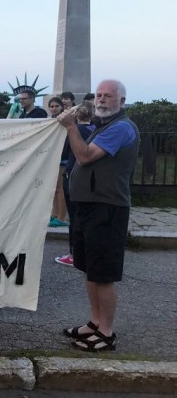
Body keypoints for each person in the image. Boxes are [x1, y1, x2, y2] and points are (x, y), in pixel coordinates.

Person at [57, 79, 139, 352]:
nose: (101, 100)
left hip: (106, 208)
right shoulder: (103, 126)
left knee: (103, 273)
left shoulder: (120, 128)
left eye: (108, 96)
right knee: (90, 270)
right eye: (99, 95)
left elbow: (85, 156)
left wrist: (70, 126)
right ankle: (94, 323)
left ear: (122, 102)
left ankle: (106, 332)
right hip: (88, 208)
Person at [55, 101, 95, 267]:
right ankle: (87, 252)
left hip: (73, 174)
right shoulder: (95, 130)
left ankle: (74, 254)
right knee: (87, 216)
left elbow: (65, 151)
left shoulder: (73, 131)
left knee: (74, 218)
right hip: (90, 178)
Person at [47, 96, 68, 228]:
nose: (54, 108)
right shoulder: (50, 121)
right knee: (54, 188)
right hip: (52, 157)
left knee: (60, 188)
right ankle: (54, 214)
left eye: (56, 106)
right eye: (52, 106)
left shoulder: (65, 121)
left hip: (62, 157)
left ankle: (61, 217)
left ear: (61, 107)